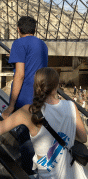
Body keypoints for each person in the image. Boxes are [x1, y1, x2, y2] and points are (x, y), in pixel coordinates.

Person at [0, 68, 88, 178]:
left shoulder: (28, 111)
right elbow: (83, 138)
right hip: (75, 174)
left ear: (35, 86)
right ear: (57, 86)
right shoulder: (71, 106)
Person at [2, 16, 48, 175]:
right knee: (38, 135)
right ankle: (41, 169)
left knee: (25, 139)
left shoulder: (18, 43)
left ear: (18, 29)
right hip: (41, 99)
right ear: (34, 29)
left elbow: (19, 75)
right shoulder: (43, 45)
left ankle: (29, 172)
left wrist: (11, 106)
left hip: (24, 100)